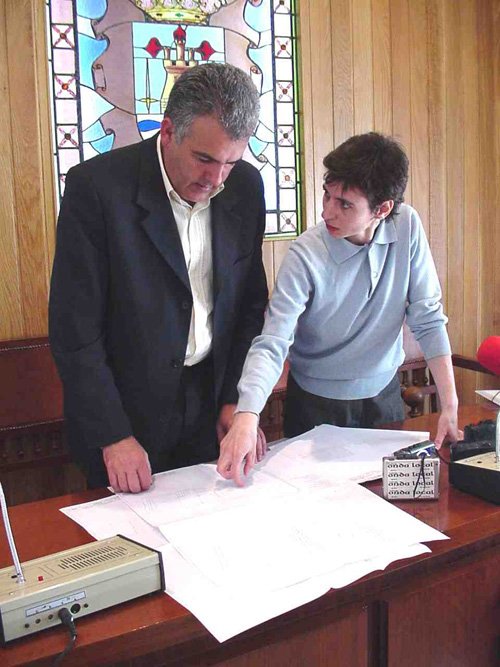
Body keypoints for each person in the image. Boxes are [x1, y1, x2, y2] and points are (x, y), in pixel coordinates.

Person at [49, 63, 268, 493]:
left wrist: (234, 399)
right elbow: (75, 331)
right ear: (168, 131)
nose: (216, 179)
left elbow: (250, 305)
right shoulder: (96, 190)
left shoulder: (244, 186)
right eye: (204, 159)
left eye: (230, 161)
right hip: (125, 412)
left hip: (210, 404)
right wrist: (113, 434)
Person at [217, 132, 461, 486]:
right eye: (326, 195)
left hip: (384, 397)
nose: (326, 211)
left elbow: (428, 317)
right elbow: (273, 341)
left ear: (383, 209)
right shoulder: (305, 254)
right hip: (316, 404)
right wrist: (247, 414)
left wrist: (450, 404)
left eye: (345, 204)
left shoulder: (407, 225)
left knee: (390, 511)